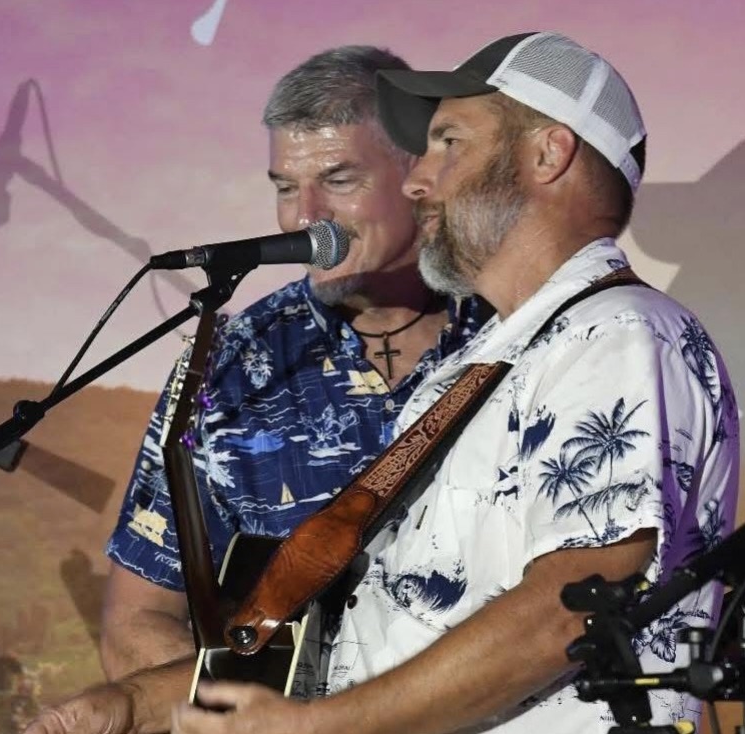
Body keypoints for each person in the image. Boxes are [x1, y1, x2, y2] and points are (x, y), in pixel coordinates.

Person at [24, 35, 745, 734]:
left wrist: (316, 729)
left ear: (547, 155)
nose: (419, 181)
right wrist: (135, 705)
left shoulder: (617, 335)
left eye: (447, 143)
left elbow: (567, 603)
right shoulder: (478, 370)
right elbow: (359, 647)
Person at [99, 45, 486, 681]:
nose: (305, 216)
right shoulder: (227, 363)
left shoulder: (519, 325)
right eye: (285, 187)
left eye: (339, 181)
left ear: (418, 176)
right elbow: (136, 620)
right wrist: (250, 714)